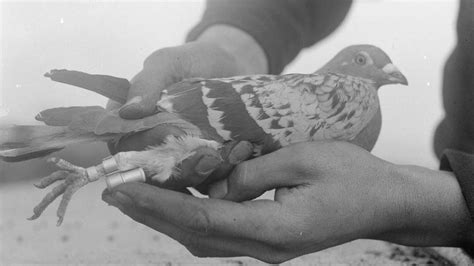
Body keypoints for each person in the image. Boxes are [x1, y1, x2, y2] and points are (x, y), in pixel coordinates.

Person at [101, 0, 474, 263]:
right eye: (364, 62)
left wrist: (434, 204)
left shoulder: (356, 100)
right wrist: (235, 45)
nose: (389, 72)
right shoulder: (345, 96)